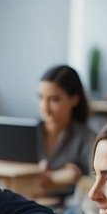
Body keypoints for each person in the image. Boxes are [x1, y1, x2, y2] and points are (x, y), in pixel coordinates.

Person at [35, 64, 96, 195]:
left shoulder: (87, 138)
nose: (45, 107)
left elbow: (98, 180)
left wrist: (76, 177)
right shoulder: (29, 132)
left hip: (64, 207)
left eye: (54, 100)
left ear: (73, 100)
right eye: (41, 98)